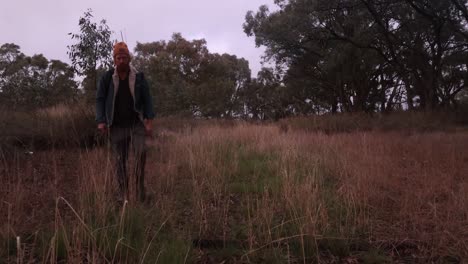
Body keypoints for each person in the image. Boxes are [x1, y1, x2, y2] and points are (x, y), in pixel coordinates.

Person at [96, 42, 155, 203]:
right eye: (118, 58)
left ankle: (140, 192)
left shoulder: (139, 77)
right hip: (116, 125)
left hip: (135, 124)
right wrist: (101, 121)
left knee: (141, 153)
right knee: (120, 160)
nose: (121, 60)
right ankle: (123, 195)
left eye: (124, 57)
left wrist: (149, 122)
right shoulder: (107, 77)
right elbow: (100, 100)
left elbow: (148, 100)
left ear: (129, 58)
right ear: (114, 60)